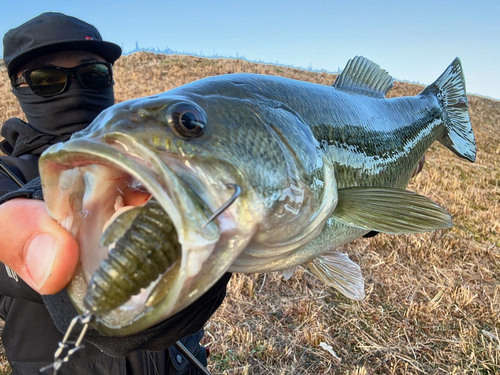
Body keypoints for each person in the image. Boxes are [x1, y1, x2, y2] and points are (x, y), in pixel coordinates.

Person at [0, 12, 231, 374]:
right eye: (46, 79)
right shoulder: (6, 177)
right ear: (18, 86)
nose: (74, 89)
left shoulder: (158, 154)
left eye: (93, 74)